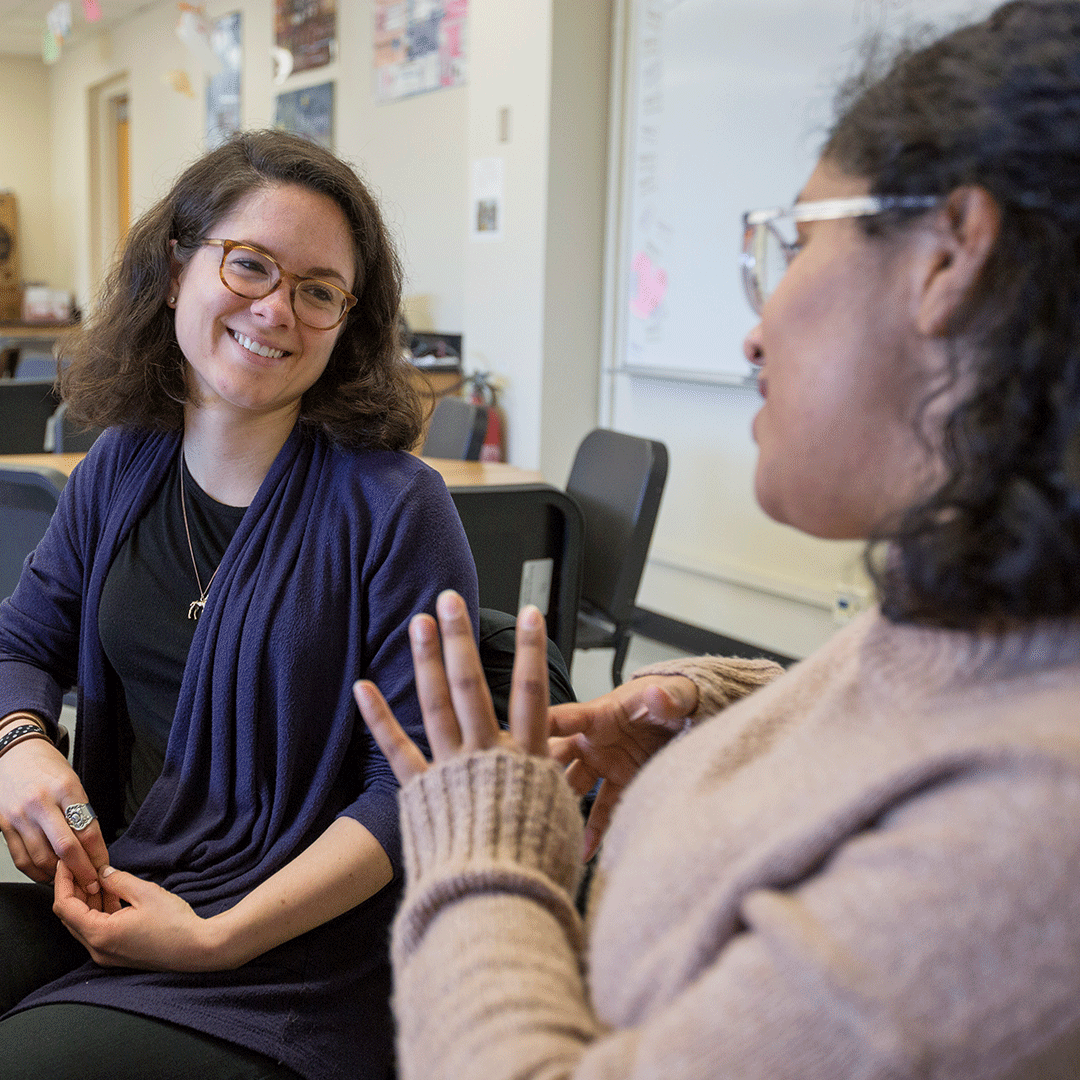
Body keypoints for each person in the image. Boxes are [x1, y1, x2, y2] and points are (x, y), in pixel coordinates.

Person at [355, 4, 1080, 1077]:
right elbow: (900, 717)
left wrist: (484, 851)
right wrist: (716, 721)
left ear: (950, 257)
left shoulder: (1030, 846)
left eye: (790, 242)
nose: (756, 322)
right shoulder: (985, 600)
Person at [0, 129, 478, 1080]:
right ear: (178, 269)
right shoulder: (120, 466)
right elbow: (21, 637)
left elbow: (420, 790)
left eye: (317, 291)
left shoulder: (394, 507)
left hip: (297, 953)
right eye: (249, 264)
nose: (276, 310)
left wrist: (216, 943)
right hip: (124, 887)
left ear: (347, 321)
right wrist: (20, 742)